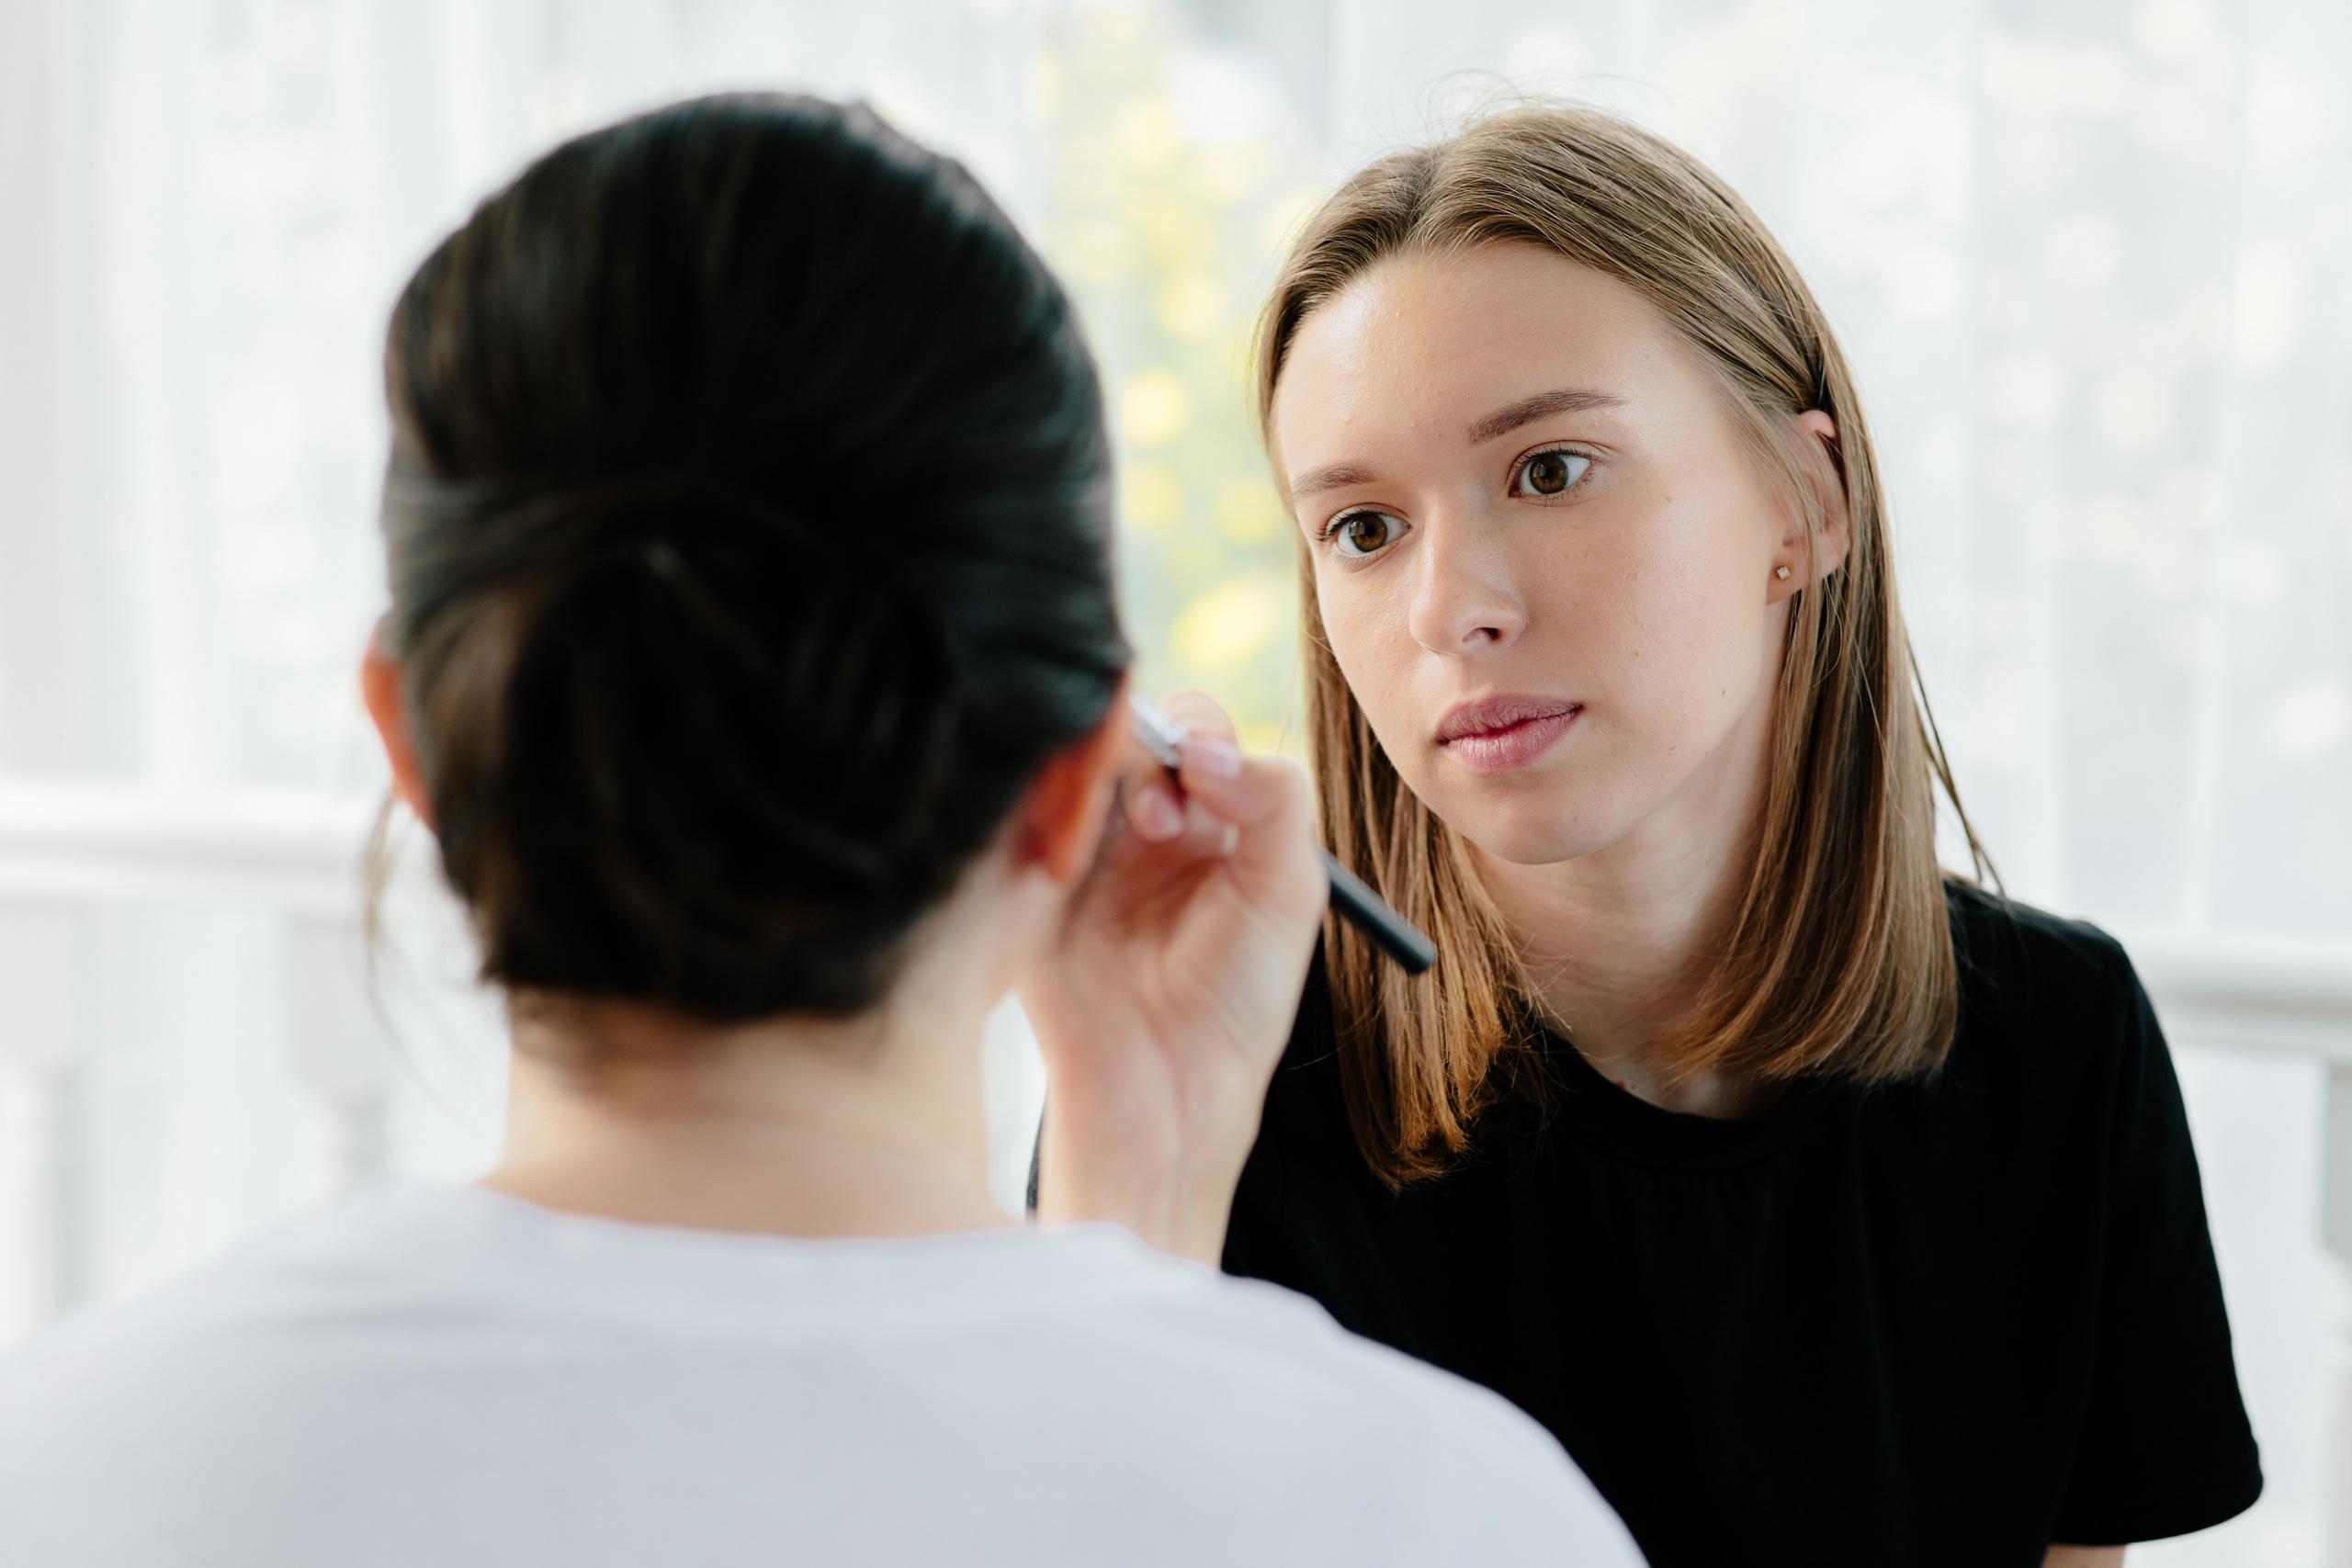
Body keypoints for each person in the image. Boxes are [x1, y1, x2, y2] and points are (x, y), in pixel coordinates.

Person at [0, 96, 1645, 1567]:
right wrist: (1131, 1219)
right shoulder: (1445, 1514)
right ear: (1072, 784)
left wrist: (1128, 1208)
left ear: (415, 746)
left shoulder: (72, 1475)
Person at [1218, 106, 2261, 1568]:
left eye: (1550, 471)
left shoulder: (2059, 1051)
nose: (1451, 608)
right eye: (1365, 529)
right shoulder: (1224, 1073)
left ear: (1806, 502)